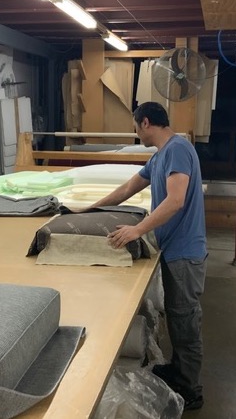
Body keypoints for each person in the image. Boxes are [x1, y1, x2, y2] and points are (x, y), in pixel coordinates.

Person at [89, 101, 207, 410]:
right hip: (174, 250)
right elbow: (128, 188)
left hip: (185, 253)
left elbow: (176, 200)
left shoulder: (177, 149)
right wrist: (91, 208)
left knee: (185, 320)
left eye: (135, 127)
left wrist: (137, 230)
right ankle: (178, 371)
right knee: (177, 316)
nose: (136, 133)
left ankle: (191, 389)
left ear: (145, 123)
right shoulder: (159, 157)